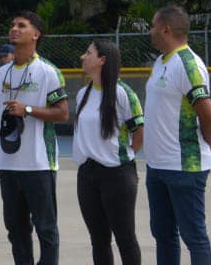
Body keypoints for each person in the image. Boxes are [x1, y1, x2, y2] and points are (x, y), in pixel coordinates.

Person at [144, 4, 211, 265]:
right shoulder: (160, 61)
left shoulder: (188, 65)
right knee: (163, 234)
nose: (151, 31)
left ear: (165, 29)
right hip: (157, 166)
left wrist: (208, 141)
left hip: (183, 167)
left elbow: (209, 116)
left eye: (153, 26)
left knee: (193, 235)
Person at [0, 11, 68, 265]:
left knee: (46, 228)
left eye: (21, 26)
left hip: (38, 164)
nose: (14, 29)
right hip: (8, 163)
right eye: (13, 24)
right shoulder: (1, 74)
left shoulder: (47, 71)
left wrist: (28, 110)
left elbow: (62, 113)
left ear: (36, 34)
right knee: (16, 230)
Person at [74, 40, 143, 265]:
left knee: (125, 237)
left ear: (102, 60)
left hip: (117, 174)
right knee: (99, 239)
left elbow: (139, 131)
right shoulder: (82, 94)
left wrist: (124, 155)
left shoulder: (123, 93)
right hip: (87, 174)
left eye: (88, 53)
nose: (83, 57)